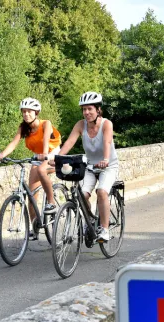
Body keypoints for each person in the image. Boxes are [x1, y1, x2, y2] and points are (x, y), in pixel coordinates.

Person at [0, 98, 62, 240]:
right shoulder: (23, 128)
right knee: (31, 196)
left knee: (41, 170)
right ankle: (35, 226)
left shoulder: (46, 123)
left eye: (29, 111)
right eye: (24, 112)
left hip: (52, 154)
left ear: (36, 112)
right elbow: (14, 143)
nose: (26, 114)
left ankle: (51, 202)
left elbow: (45, 140)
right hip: (38, 156)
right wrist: (2, 155)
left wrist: (44, 155)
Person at [55, 91, 117, 243]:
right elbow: (69, 142)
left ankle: (104, 229)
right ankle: (88, 221)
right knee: (82, 195)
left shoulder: (106, 124)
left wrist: (105, 159)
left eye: (90, 109)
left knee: (102, 191)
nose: (87, 112)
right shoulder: (80, 125)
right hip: (89, 166)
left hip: (108, 165)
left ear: (98, 110)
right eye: (84, 109)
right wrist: (58, 158)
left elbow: (107, 142)